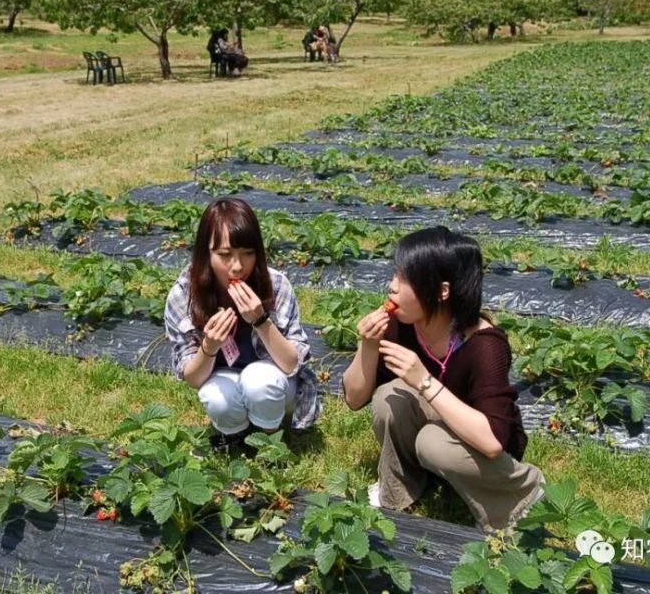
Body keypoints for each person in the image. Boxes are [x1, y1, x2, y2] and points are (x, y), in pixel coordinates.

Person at [342, 226, 545, 532]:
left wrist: (424, 380)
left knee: (432, 442)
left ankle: (521, 493)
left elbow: (492, 442)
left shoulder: (485, 345)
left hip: (480, 443)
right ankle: (399, 490)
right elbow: (354, 398)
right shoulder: (402, 324)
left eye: (404, 278)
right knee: (388, 397)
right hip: (441, 432)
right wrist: (368, 345)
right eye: (395, 274)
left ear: (442, 291)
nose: (391, 286)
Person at [165, 198, 321, 447]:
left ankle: (270, 444)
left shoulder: (276, 285)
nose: (237, 266)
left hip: (277, 381)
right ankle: (235, 435)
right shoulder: (184, 296)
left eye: (247, 254)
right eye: (224, 255)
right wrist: (209, 347)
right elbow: (193, 379)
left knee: (258, 379)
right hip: (223, 379)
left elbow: (291, 363)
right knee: (215, 397)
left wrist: (260, 320)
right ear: (206, 254)